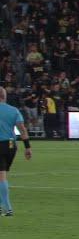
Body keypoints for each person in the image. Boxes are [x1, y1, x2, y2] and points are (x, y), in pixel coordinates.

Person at [0, 86, 32, 216]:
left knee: (1, 176)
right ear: (4, 96)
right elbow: (22, 129)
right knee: (2, 175)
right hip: (11, 145)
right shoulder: (14, 111)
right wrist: (28, 147)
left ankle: (8, 209)